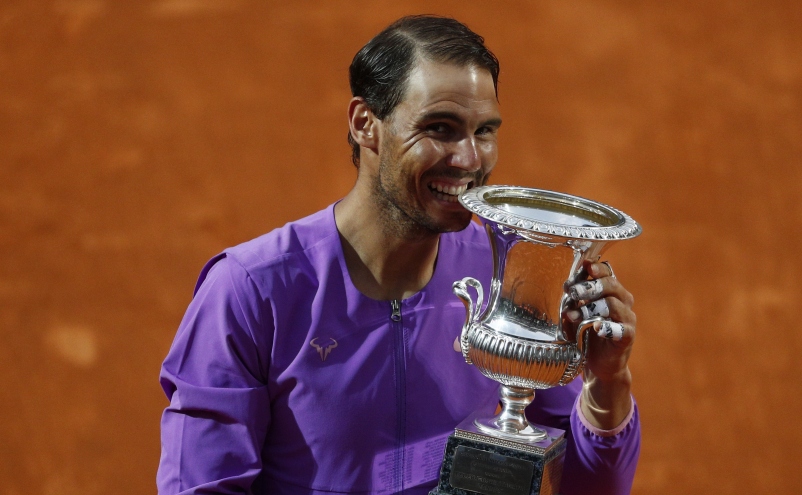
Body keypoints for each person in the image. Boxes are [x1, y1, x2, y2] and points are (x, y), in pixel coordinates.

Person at [158, 15, 640, 495]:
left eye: (484, 131)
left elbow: (586, 487)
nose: (470, 160)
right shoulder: (249, 292)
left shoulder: (506, 270)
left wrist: (608, 382)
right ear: (364, 124)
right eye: (440, 128)